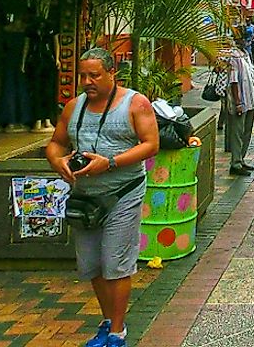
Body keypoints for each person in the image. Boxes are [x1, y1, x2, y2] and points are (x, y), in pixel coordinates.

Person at [46, 48, 159, 347]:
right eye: (83, 75)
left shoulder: (135, 104)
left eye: (94, 75)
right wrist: (58, 162)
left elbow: (151, 145)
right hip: (85, 197)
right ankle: (108, 321)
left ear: (112, 74)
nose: (87, 81)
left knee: (115, 263)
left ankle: (117, 332)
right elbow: (56, 143)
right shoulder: (73, 108)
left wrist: (109, 162)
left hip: (123, 193)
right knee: (93, 265)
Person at [224, 50, 254, 175]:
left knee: (246, 132)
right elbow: (234, 82)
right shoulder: (233, 56)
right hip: (241, 102)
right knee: (237, 132)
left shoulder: (247, 54)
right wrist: (238, 103)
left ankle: (241, 159)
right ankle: (236, 163)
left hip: (251, 100)